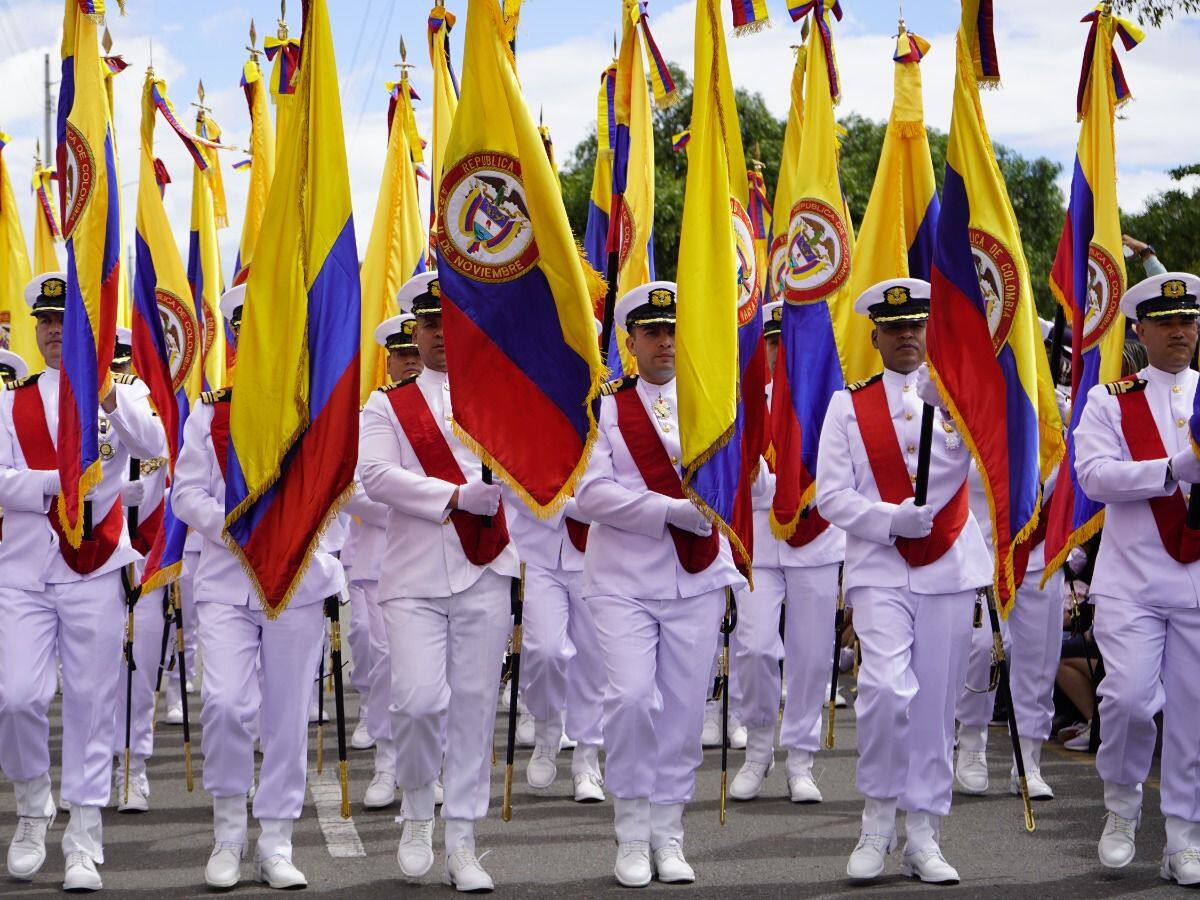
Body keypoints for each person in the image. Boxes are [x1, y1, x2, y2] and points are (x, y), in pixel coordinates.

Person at [172, 284, 347, 890]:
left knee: (287, 716)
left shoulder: (312, 408)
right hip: (226, 579)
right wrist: (237, 530)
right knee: (223, 704)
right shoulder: (212, 409)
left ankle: (275, 838)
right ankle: (227, 832)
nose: (256, 336)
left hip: (296, 579)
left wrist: (311, 543)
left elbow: (336, 491)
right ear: (235, 335)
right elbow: (186, 493)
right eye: (244, 327)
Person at [816, 278, 990, 885]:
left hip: (947, 564)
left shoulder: (959, 399)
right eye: (895, 327)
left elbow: (996, 462)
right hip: (880, 566)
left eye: (917, 324)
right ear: (876, 336)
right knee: (887, 691)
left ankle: (924, 833)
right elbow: (831, 496)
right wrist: (891, 518)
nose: (908, 335)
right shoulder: (847, 406)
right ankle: (876, 819)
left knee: (936, 706)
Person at [576, 281, 745, 888]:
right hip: (623, 577)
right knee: (627, 700)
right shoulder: (607, 405)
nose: (666, 342)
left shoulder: (714, 399)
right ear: (631, 341)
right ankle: (629, 831)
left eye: (673, 331)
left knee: (681, 713)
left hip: (695, 577)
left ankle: (669, 832)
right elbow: (588, 493)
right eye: (653, 332)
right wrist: (665, 510)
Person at [0, 273, 162, 891]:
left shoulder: (120, 390)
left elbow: (153, 443)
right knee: (18, 697)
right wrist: (54, 484)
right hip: (23, 569)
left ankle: (84, 837)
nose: (50, 332)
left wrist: (112, 399)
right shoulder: (12, 400)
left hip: (94, 565)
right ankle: (32, 805)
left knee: (93, 703)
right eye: (43, 322)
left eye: (62, 322)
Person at [359, 271, 520, 892]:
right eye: (428, 324)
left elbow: (531, 463)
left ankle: (464, 841)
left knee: (474, 709)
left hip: (485, 569)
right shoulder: (387, 403)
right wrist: (454, 495)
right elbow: (375, 476)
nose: (439, 335)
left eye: (448, 321)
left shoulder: (499, 392)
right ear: (414, 331)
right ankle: (418, 805)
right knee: (419, 702)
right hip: (416, 574)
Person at [1073, 271, 1200, 885]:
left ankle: (1183, 839)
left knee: (1193, 714)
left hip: (1196, 579)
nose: (1181, 331)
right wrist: (1174, 468)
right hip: (1131, 582)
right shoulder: (1110, 399)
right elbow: (1093, 477)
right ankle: (1122, 808)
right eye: (1168, 322)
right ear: (1141, 330)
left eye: (1190, 321)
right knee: (1125, 701)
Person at [727, 300, 846, 804]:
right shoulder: (745, 396)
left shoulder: (827, 395)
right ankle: (758, 746)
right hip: (758, 536)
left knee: (811, 654)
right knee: (753, 646)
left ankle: (801, 758)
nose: (779, 351)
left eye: (786, 341)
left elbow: (842, 466)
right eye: (771, 342)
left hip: (816, 535)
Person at [346, 312, 424, 810]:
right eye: (402, 356)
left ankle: (425, 763)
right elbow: (350, 490)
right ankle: (386, 758)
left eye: (416, 353)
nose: (411, 363)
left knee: (426, 672)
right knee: (379, 662)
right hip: (377, 558)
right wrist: (415, 506)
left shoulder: (451, 408)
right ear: (389, 361)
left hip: (432, 556)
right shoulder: (372, 413)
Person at [108, 326, 172, 814]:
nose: (116, 366)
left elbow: (153, 448)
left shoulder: (134, 395)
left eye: (121, 359)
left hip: (140, 550)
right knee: (96, 673)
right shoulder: (62, 392)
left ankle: (133, 767)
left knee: (139, 665)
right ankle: (92, 769)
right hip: (85, 553)